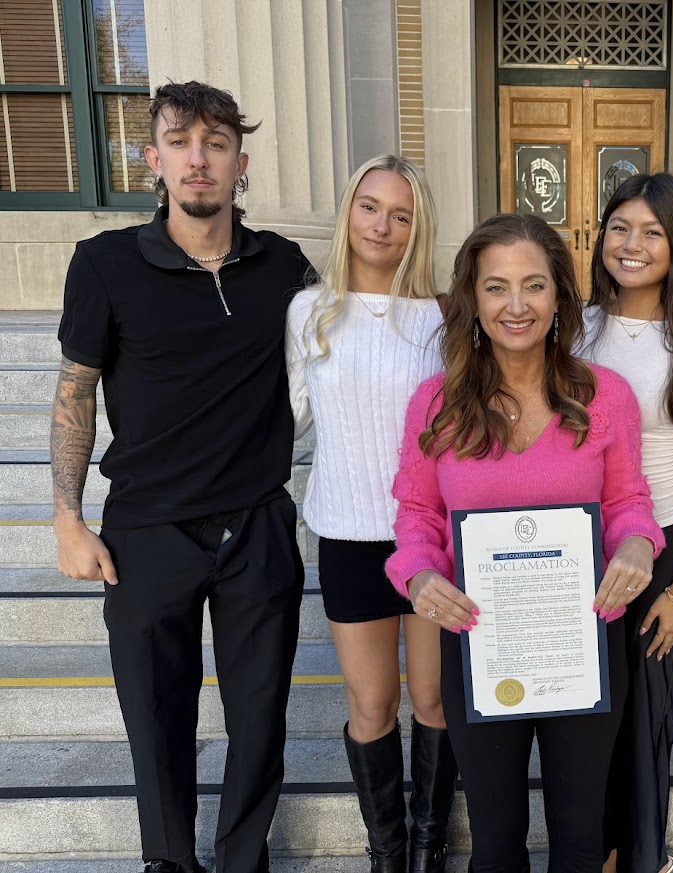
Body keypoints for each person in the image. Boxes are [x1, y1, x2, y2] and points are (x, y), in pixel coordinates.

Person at [51, 81, 314, 873]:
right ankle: (169, 860)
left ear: (242, 163)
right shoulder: (104, 264)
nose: (199, 159)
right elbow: (75, 389)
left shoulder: (285, 266)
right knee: (156, 716)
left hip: (257, 528)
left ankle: (243, 859)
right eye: (182, 142)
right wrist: (67, 515)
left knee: (261, 718)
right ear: (153, 158)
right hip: (145, 531)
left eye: (218, 144)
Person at [385, 212, 665, 873]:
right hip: (482, 645)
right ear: (472, 299)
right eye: (496, 287)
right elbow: (416, 515)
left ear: (560, 297)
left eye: (534, 285)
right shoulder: (438, 403)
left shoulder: (605, 397)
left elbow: (629, 503)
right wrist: (420, 575)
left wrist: (637, 547)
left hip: (583, 641)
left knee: (579, 834)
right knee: (496, 835)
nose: (516, 305)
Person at [285, 155, 455, 873]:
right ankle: (387, 850)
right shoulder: (309, 310)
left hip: (431, 538)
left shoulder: (443, 318)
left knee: (434, 698)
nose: (383, 224)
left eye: (401, 213)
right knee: (373, 704)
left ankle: (429, 842)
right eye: (370, 206)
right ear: (348, 213)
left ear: (418, 228)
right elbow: (287, 418)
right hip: (349, 537)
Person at [580, 173, 673, 873]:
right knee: (588, 713)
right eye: (620, 227)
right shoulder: (571, 325)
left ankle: (643, 858)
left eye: (652, 232)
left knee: (645, 718)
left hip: (659, 544)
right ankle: (598, 848)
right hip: (575, 543)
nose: (632, 244)